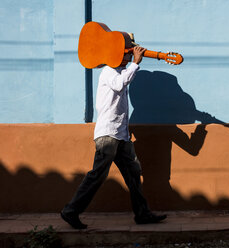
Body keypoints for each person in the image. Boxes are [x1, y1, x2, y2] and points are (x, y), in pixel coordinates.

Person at [61, 46, 166, 229]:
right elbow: (119, 84)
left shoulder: (121, 71)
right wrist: (136, 63)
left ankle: (142, 213)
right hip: (108, 133)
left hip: (121, 134)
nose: (129, 55)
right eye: (127, 52)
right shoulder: (109, 71)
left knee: (133, 172)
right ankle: (71, 211)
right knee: (98, 174)